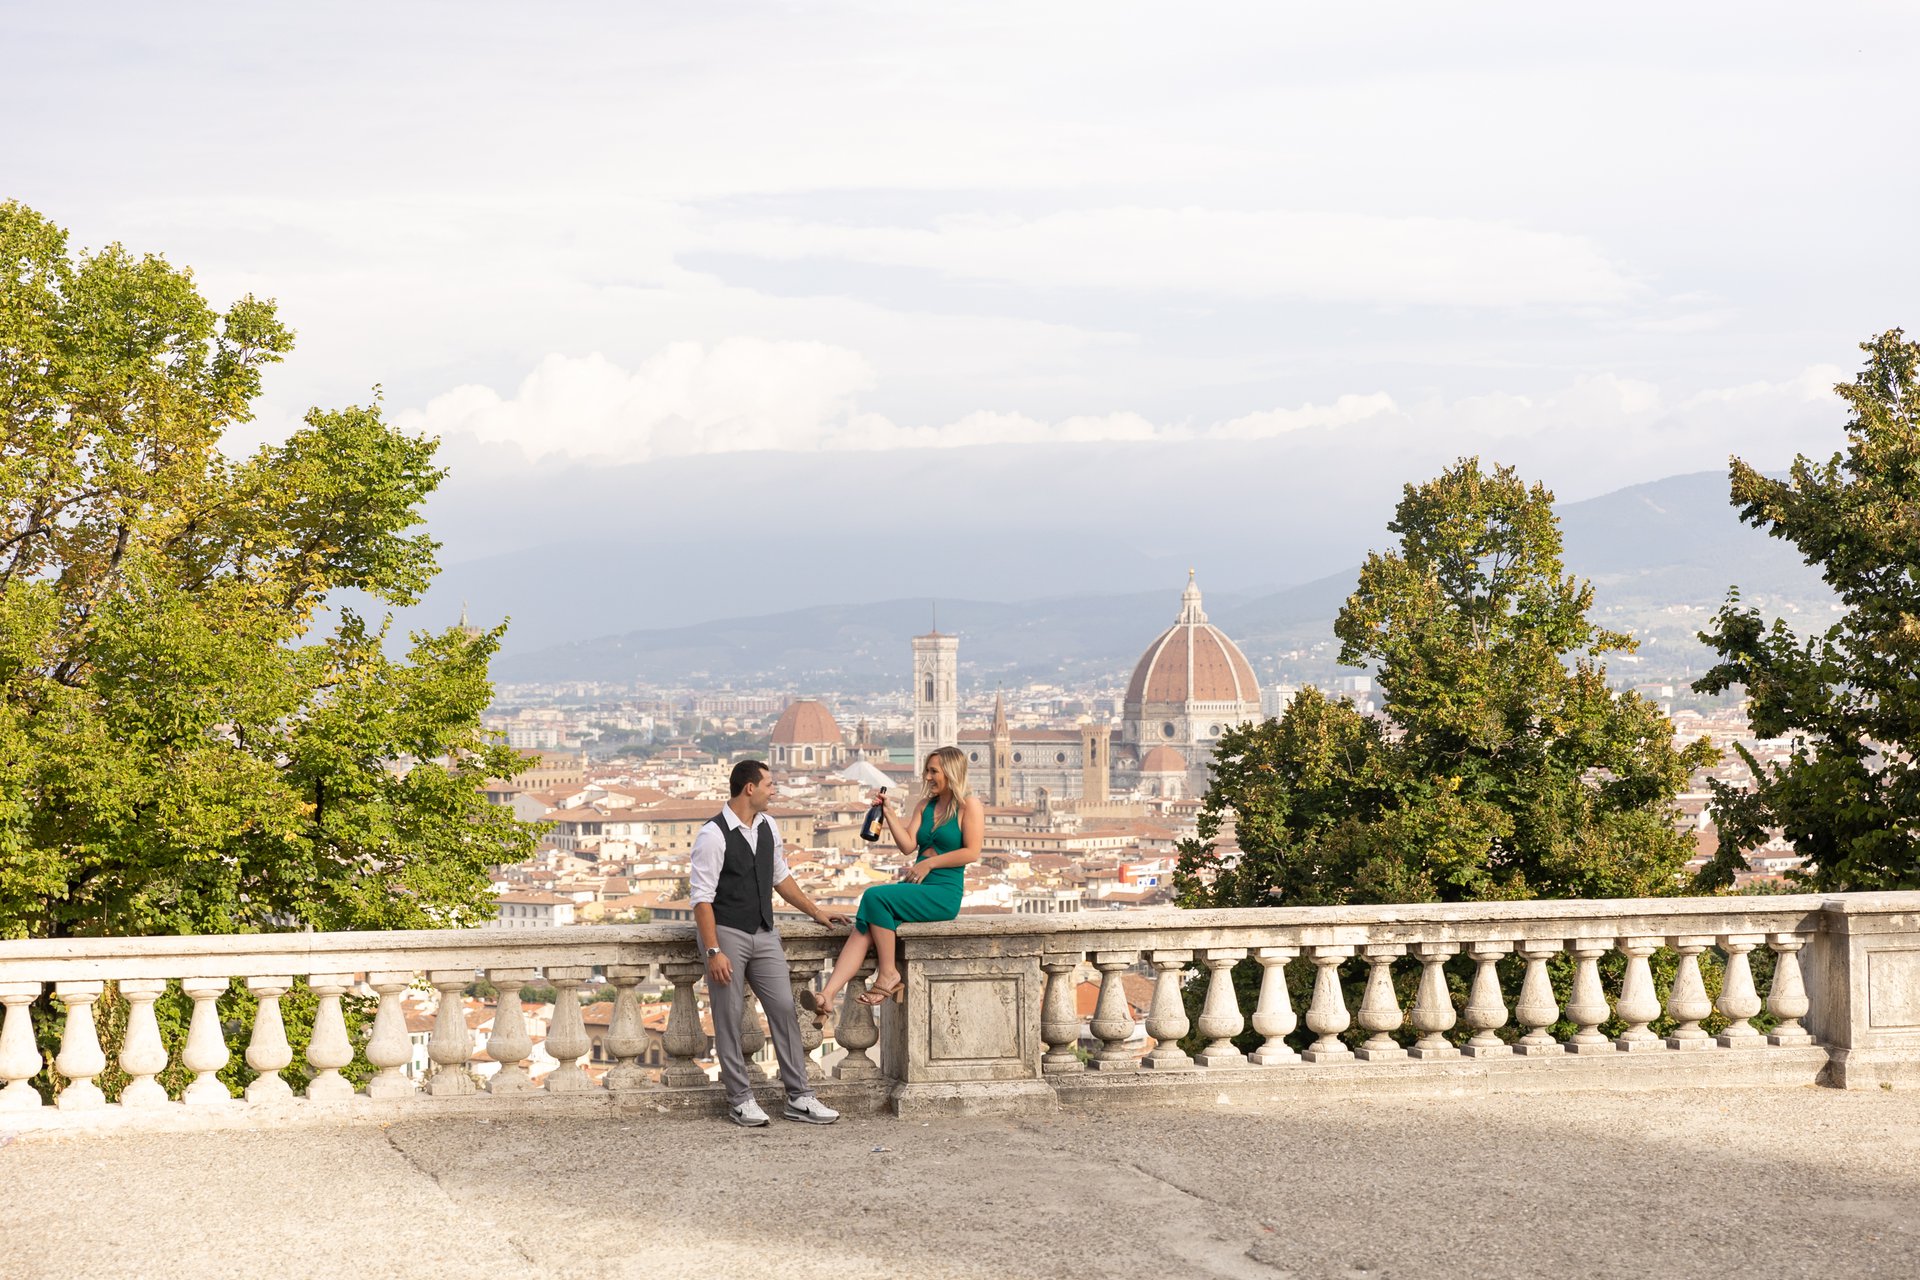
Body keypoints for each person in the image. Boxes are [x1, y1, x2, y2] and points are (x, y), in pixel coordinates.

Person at [692, 758, 850, 1128]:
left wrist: (816, 912)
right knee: (728, 1018)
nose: (774, 790)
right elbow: (701, 899)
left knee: (784, 1009)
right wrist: (713, 951)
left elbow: (781, 877)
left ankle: (799, 1097)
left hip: (764, 932)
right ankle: (740, 1099)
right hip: (726, 932)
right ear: (750, 788)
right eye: (769, 784)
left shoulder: (767, 826)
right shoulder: (713, 835)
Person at [804, 745, 983, 1019]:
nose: (927, 777)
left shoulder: (969, 805)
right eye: (927, 770)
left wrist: (930, 862)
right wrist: (888, 814)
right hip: (917, 889)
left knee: (874, 897)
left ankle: (888, 974)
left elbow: (972, 851)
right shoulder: (925, 805)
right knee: (864, 926)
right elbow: (908, 845)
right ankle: (826, 996)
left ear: (951, 771)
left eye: (933, 771)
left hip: (944, 892)